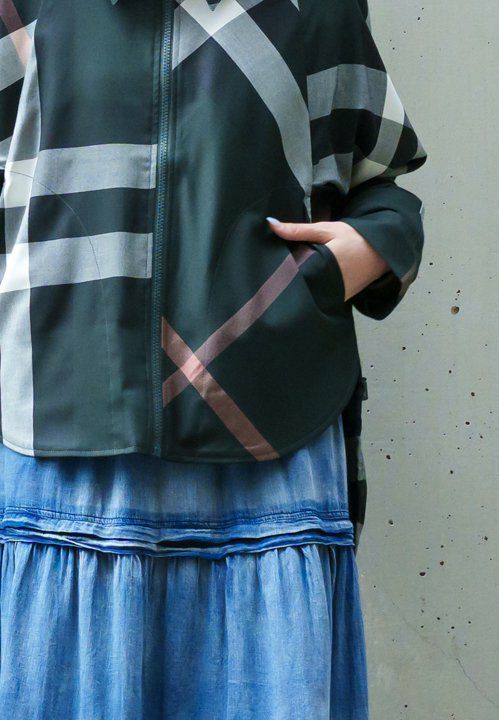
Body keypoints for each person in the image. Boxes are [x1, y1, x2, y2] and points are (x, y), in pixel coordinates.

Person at [0, 0, 427, 717]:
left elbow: (380, 185)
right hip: (59, 455)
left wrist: (363, 255)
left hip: (269, 459)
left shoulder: (316, 7)